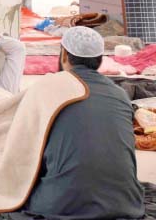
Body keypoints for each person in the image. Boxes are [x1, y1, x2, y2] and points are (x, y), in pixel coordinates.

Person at [20, 27, 144, 219]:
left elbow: (24, 149)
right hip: (126, 204)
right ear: (100, 59)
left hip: (59, 205)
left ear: (64, 56)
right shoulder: (120, 94)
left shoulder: (47, 87)